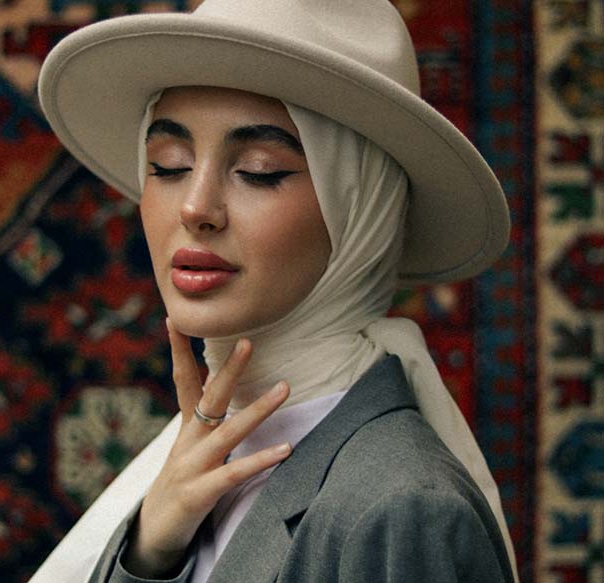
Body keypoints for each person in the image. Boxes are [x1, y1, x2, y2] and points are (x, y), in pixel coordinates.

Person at [32, 0, 519, 581]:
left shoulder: (402, 510)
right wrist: (152, 553)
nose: (195, 207)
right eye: (167, 164)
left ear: (360, 209)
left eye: (259, 170)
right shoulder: (175, 479)